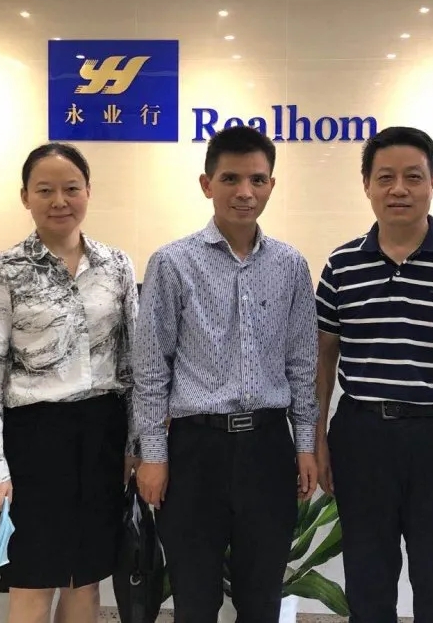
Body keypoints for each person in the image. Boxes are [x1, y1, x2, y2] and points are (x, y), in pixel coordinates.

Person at [314, 126, 433, 623]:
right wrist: (316, 440)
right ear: (366, 184)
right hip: (362, 436)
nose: (398, 189)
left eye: (413, 177)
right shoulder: (342, 265)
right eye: (385, 177)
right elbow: (321, 360)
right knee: (367, 581)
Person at [133, 125, 319, 623]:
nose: (245, 192)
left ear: (271, 185)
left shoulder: (291, 265)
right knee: (195, 601)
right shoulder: (172, 263)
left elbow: (303, 363)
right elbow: (150, 370)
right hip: (195, 451)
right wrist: (153, 455)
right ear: (206, 184)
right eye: (231, 178)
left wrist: (305, 445)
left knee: (261, 600)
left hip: (267, 448)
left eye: (257, 180)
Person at [0, 143, 138, 623]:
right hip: (34, 437)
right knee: (34, 578)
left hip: (102, 433)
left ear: (88, 192)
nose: (59, 200)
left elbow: (132, 362)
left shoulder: (116, 265)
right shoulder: (4, 270)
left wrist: (135, 444)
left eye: (71, 188)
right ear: (25, 196)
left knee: (86, 578)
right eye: (45, 190)